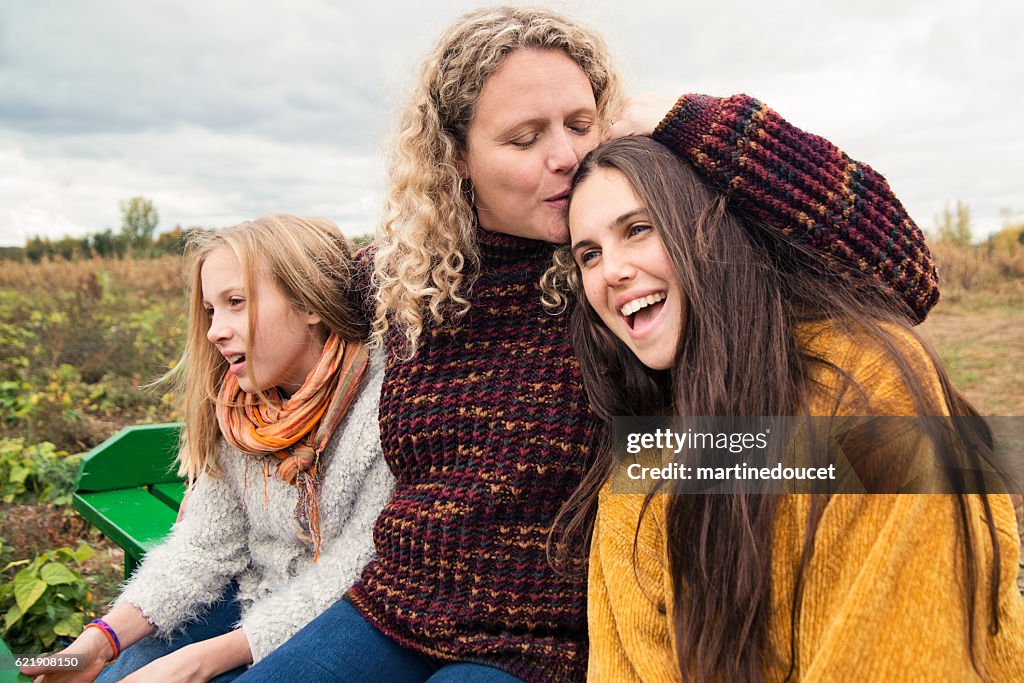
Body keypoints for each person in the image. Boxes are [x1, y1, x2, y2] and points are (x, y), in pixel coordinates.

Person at [563, 98, 1024, 681]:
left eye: (638, 229)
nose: (611, 272)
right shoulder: (644, 461)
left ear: (710, 231)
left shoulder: (865, 379)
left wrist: (695, 123)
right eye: (589, 255)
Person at [239, 7, 621, 683]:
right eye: (525, 137)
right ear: (456, 156)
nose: (567, 156)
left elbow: (872, 255)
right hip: (392, 606)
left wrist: (682, 121)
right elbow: (273, 314)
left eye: (581, 124)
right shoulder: (403, 276)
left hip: (542, 644)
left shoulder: (625, 277)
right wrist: (232, 402)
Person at [23, 215, 394, 683]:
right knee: (124, 670)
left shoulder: (388, 405)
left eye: (235, 303)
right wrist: (101, 640)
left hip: (352, 627)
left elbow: (356, 572)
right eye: (210, 310)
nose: (215, 331)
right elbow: (206, 544)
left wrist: (202, 660)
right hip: (251, 597)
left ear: (310, 303)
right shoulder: (238, 407)